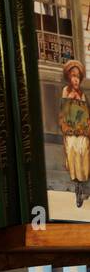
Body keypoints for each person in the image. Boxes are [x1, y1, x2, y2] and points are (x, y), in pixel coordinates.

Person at [61, 60, 90, 207]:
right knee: (72, 148)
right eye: (73, 76)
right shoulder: (66, 91)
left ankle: (83, 183)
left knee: (84, 148)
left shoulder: (82, 95)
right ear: (69, 77)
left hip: (82, 131)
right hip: (71, 130)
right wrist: (70, 100)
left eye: (78, 77)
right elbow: (64, 114)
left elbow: (85, 115)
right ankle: (78, 186)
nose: (76, 79)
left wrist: (86, 129)